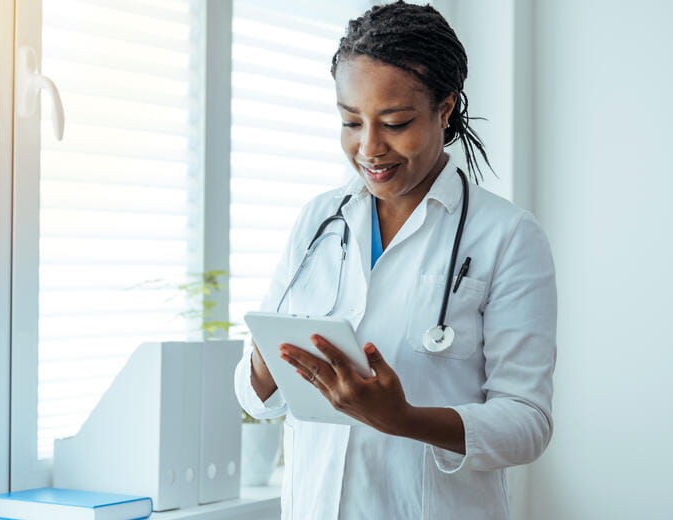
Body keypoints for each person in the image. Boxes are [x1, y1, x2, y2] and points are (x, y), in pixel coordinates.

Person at [233, 2, 557, 518]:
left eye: (395, 122)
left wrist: (402, 418)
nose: (369, 147)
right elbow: (255, 397)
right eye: (350, 121)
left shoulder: (507, 236)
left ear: (445, 108)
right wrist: (265, 361)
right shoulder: (320, 219)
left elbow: (526, 425)